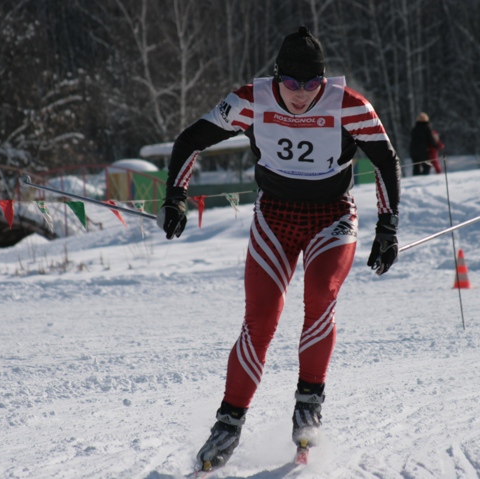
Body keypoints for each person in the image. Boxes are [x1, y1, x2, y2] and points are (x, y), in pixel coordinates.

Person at [156, 26, 401, 472]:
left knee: (320, 296)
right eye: (291, 83)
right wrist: (175, 197)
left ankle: (308, 403)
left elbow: (385, 161)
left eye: (312, 83)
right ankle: (228, 423)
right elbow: (189, 141)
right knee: (261, 320)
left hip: (332, 217)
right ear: (276, 77)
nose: (301, 93)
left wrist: (388, 226)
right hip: (275, 218)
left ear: (323, 80)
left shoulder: (350, 106)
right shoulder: (250, 100)